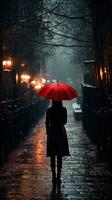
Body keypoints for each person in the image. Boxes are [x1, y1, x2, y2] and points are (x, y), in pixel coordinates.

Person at [45, 100, 69, 184]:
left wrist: (48, 131)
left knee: (52, 155)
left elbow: (47, 122)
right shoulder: (63, 109)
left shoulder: (49, 110)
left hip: (52, 132)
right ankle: (58, 176)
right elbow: (65, 122)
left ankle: (53, 176)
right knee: (59, 155)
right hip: (60, 132)